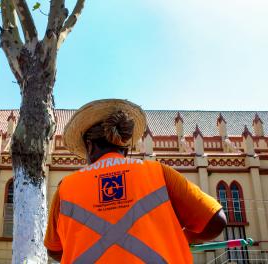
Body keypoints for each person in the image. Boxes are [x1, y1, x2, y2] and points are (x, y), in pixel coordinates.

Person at [44, 99, 227, 263]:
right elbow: (216, 220)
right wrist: (175, 237)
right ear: (125, 146)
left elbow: (54, 250)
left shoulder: (66, 188)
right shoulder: (158, 172)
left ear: (90, 147)